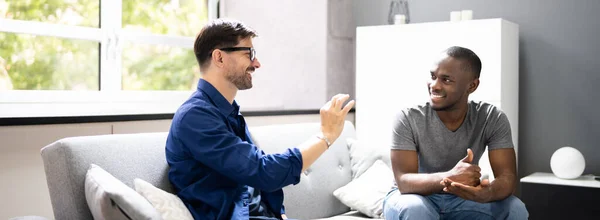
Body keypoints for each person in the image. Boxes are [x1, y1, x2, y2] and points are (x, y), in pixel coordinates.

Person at [165, 19, 355, 220]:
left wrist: (279, 212)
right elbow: (263, 171)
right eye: (249, 54)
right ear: (219, 58)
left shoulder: (228, 113)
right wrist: (325, 136)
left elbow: (253, 175)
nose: (256, 63)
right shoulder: (195, 118)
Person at [382, 46, 528, 219]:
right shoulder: (408, 117)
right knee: (415, 209)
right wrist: (450, 177)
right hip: (414, 197)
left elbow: (507, 178)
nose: (434, 86)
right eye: (433, 77)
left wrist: (486, 193)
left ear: (472, 86)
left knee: (515, 208)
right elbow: (404, 182)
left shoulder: (491, 117)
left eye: (446, 80)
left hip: (462, 200)